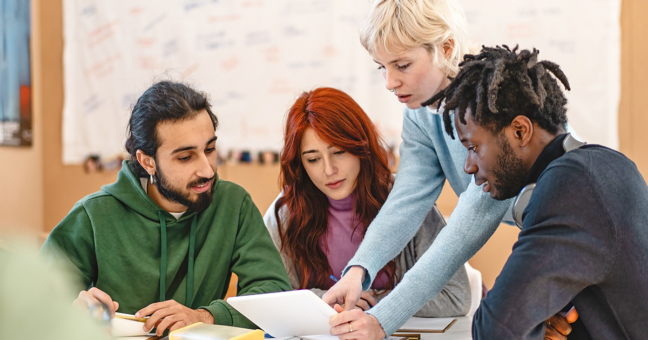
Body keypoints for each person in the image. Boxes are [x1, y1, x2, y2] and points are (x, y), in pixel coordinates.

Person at [324, 1, 578, 340]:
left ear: (445, 48)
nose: (389, 82)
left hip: (577, 232)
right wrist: (359, 270)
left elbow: (461, 234)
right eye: (380, 67)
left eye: (402, 65)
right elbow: (406, 199)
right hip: (545, 237)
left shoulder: (493, 102)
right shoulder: (420, 109)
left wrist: (383, 320)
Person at [429, 45, 648, 339]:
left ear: (520, 131)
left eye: (473, 148)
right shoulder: (610, 165)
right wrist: (542, 316)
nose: (468, 166)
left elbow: (494, 330)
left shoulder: (570, 187)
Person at [39, 81, 292, 336]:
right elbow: (31, 304)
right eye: (185, 157)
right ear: (147, 162)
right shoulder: (93, 215)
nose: (207, 170)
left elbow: (274, 293)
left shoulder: (234, 205)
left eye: (210, 149)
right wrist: (71, 311)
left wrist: (204, 316)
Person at [264, 87, 470, 316]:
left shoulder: (405, 200)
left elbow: (456, 297)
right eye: (313, 159)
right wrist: (327, 299)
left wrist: (374, 300)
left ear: (360, 146)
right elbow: (269, 296)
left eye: (339, 152)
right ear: (300, 164)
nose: (329, 170)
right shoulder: (284, 213)